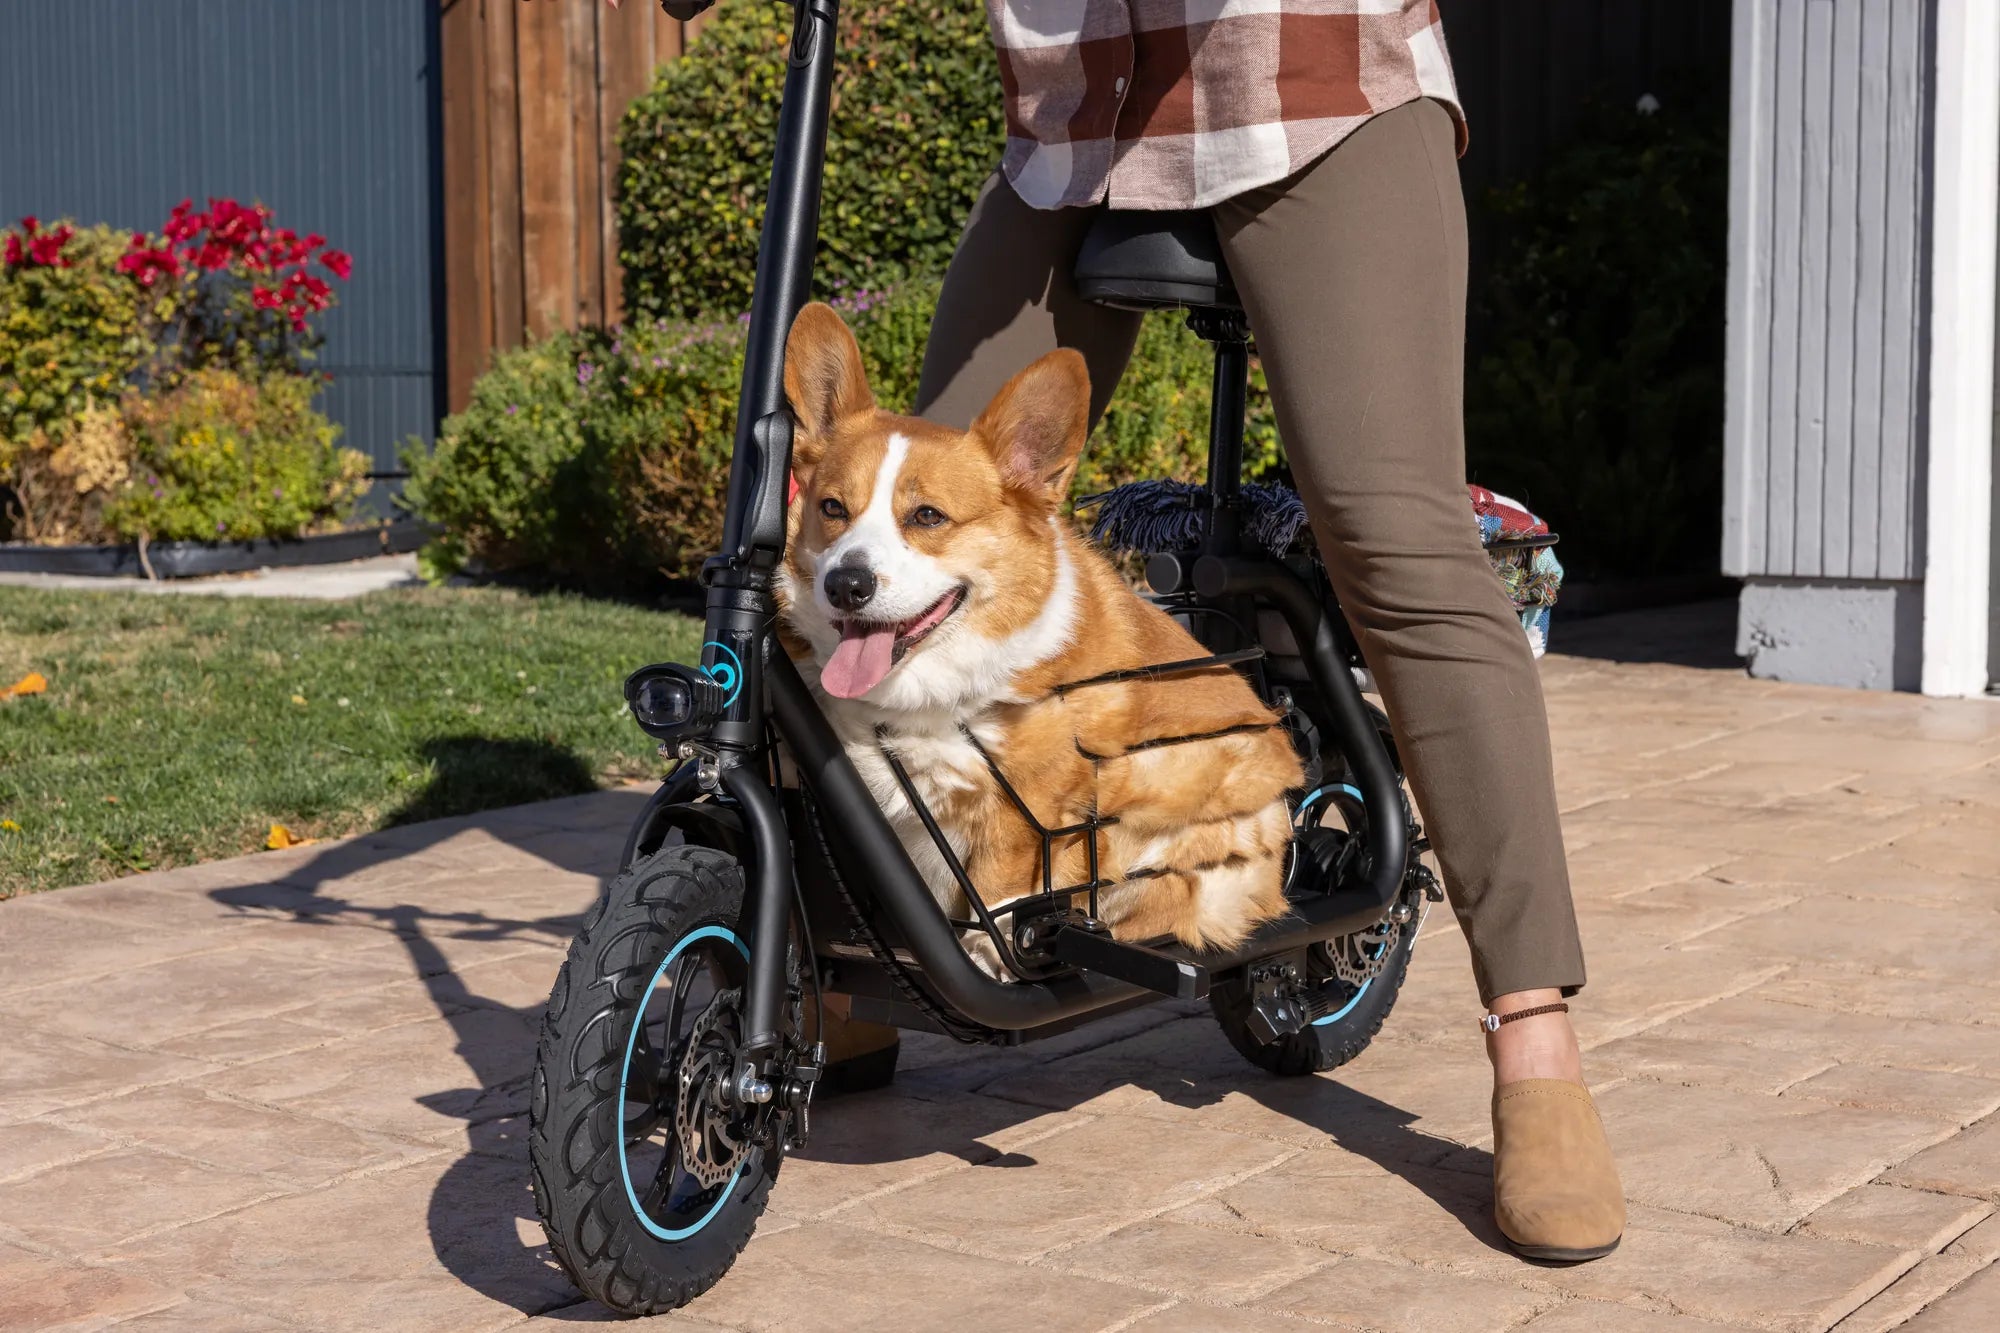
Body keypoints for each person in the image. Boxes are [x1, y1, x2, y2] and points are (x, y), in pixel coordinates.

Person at [813, 0, 1625, 1262]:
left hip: (1310, 74)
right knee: (898, 519)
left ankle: (1534, 1039)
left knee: (1390, 536)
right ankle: (848, 940)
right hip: (1081, 112)